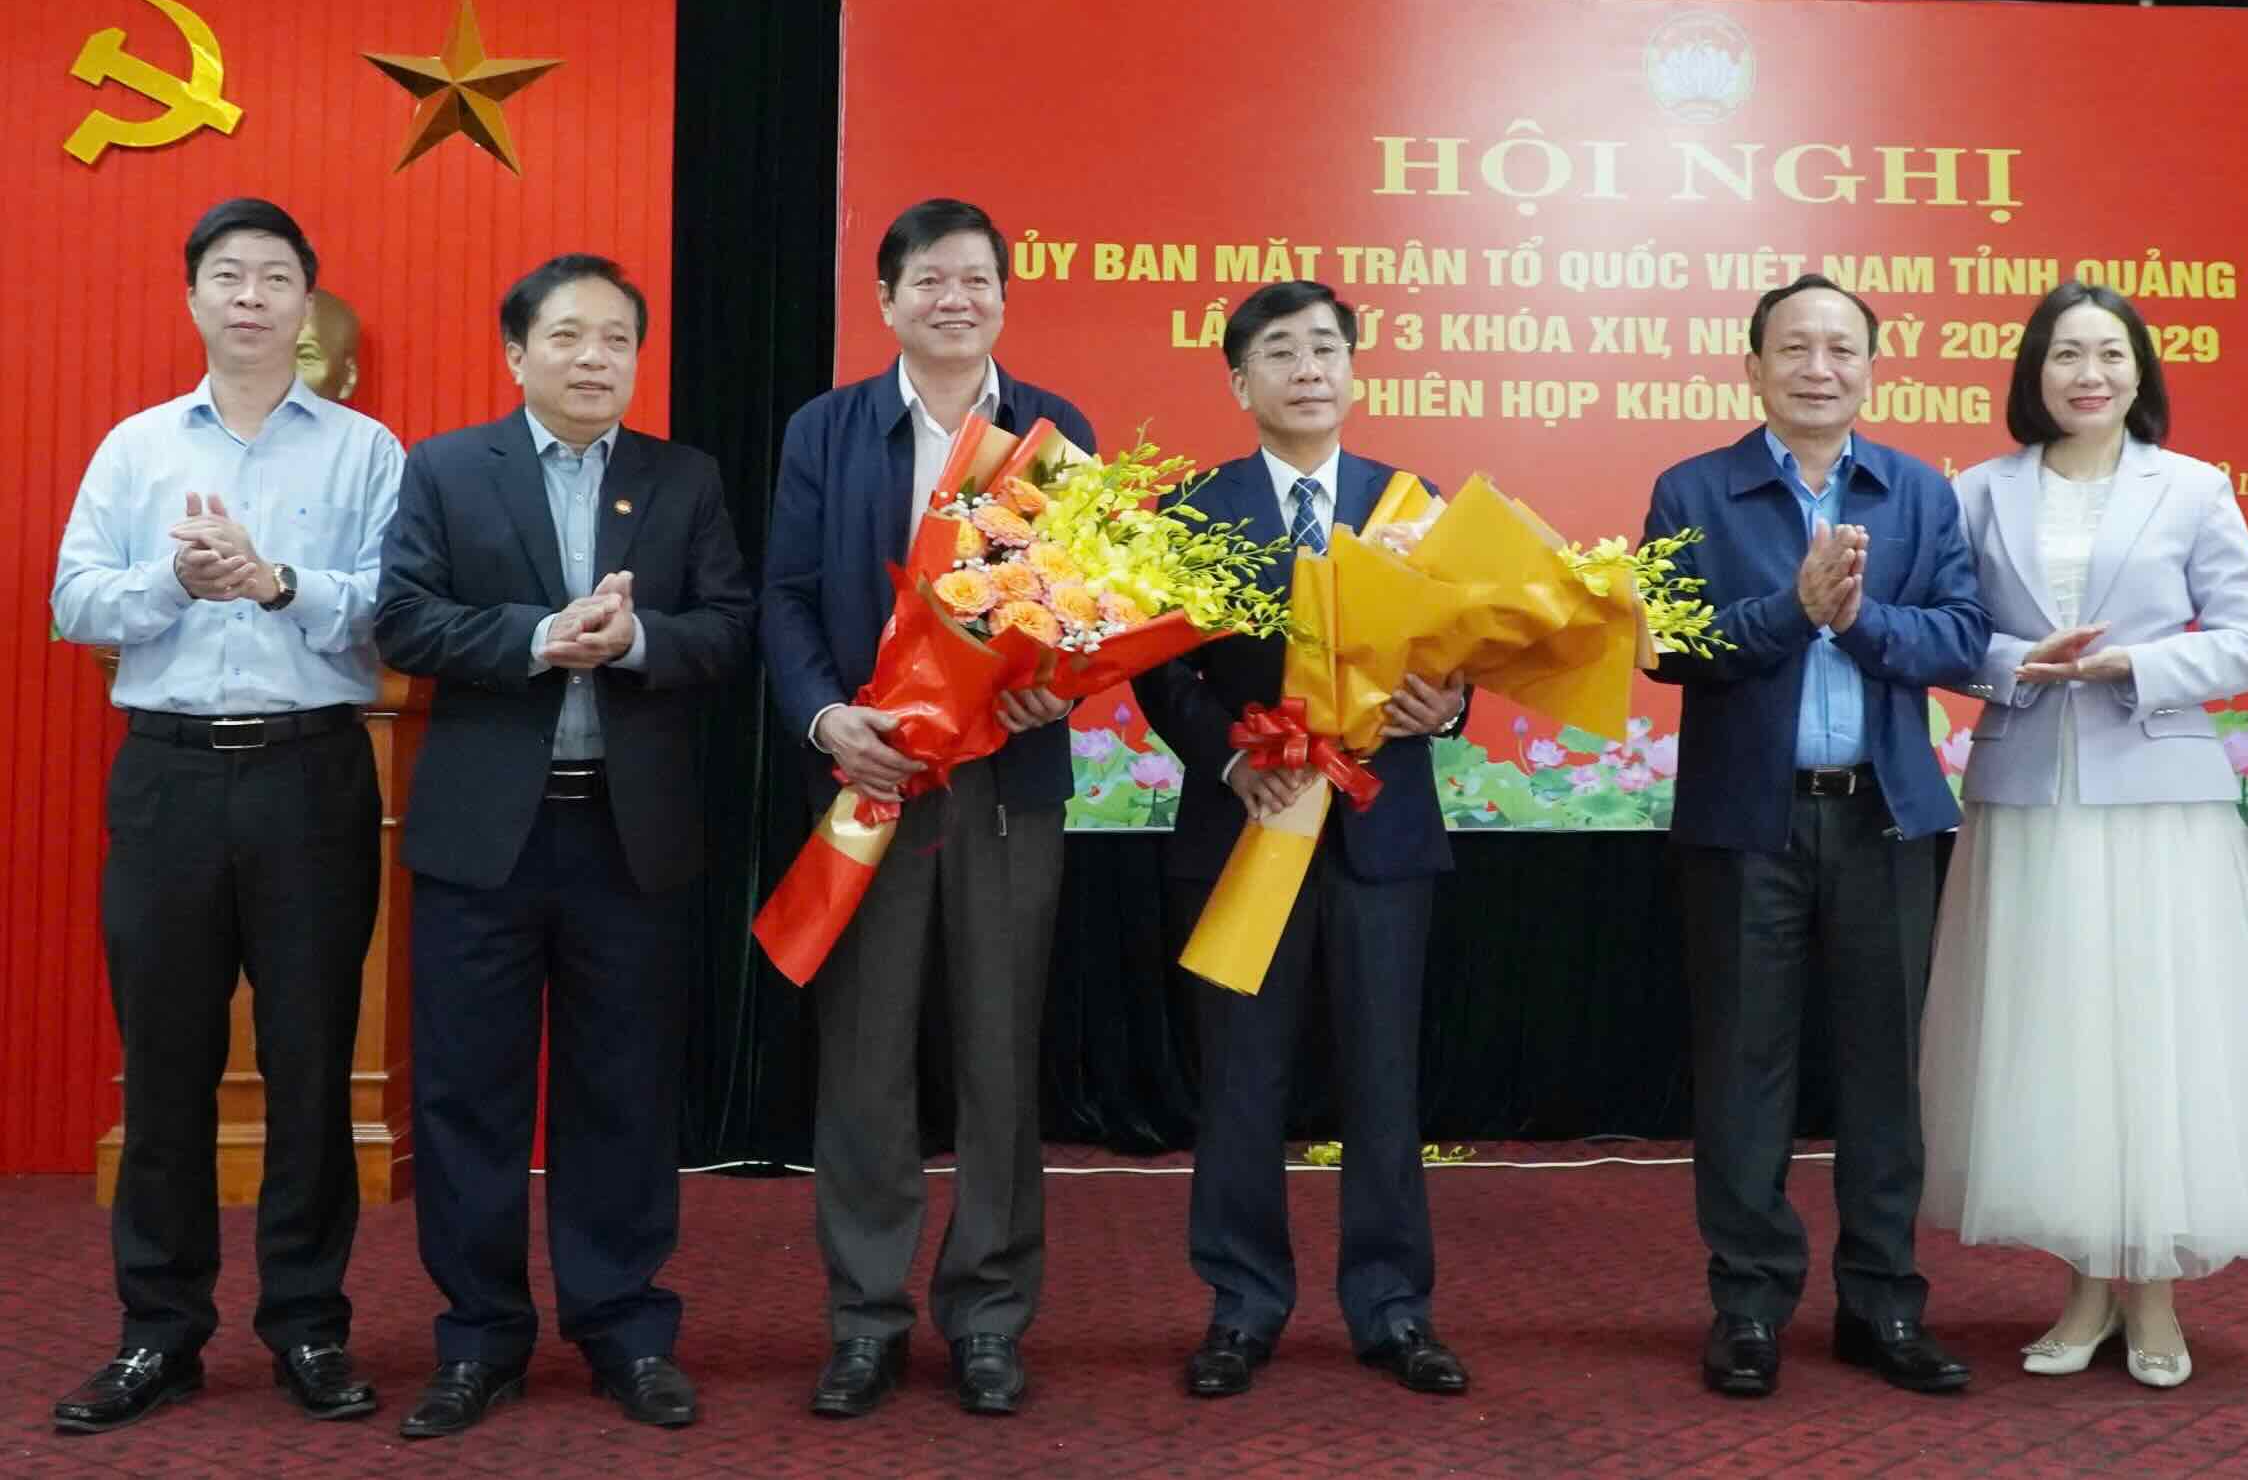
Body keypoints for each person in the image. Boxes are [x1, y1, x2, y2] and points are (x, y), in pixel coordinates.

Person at [374, 254, 753, 1437]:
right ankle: (479, 1334)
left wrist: (636, 644)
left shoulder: (681, 479)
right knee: (466, 1098)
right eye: (570, 337)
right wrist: (540, 637)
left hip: (627, 840)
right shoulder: (445, 469)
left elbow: (729, 629)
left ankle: (625, 1328)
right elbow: (405, 618)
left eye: (617, 340)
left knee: (622, 1095)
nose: (596, 360)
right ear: (516, 353)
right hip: (485, 839)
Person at [49, 198, 400, 1433]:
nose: (249, 297)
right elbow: (74, 600)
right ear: (193, 297)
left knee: (310, 1065)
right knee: (167, 1063)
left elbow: (394, 612)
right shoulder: (137, 448)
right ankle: (161, 1333)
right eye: (227, 277)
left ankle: (308, 1325)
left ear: (308, 300)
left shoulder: (367, 451)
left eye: (274, 278)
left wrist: (279, 583)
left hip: (314, 774)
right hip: (171, 779)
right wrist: (171, 583)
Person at [1920, 281, 2248, 1389]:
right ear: (2029, 375)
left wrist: (2134, 663)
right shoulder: (1978, 494)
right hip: (2027, 802)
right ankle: (2083, 1284)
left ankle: (2151, 1298)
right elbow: (1953, 638)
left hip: (2157, 808)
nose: (2085, 374)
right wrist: (2019, 666)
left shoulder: (2190, 489)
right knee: (2057, 1048)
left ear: (2139, 372)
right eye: (2062, 355)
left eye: (2107, 354)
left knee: (2151, 1042)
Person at [761, 198, 1093, 1418]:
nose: (953, 299)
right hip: (869, 779)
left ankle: (990, 1317)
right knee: (863, 1057)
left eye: (975, 280)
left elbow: (1085, 603)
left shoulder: (1054, 431)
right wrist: (823, 717)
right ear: (886, 301)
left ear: (1004, 297)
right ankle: (864, 1318)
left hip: (1005, 786)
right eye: (928, 281)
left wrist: (1054, 686)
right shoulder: (828, 429)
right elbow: (787, 595)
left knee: (999, 1056)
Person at [1642, 273, 1989, 1398]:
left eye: (1841, 348)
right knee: (1743, 1071)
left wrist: (1859, 619)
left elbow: (1956, 640)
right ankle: (1746, 1308)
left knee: (1884, 1074)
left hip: (1882, 817)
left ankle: (1883, 1306)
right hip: (1747, 823)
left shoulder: (1918, 493)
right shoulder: (1690, 490)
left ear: (1870, 368)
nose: (1817, 367)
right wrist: (1792, 609)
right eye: (1793, 347)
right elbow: (1676, 647)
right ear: (1752, 366)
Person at [1133, 279, 1471, 1402]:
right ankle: (1239, 1307)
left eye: (1327, 347)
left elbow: (1456, 647)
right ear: (1241, 381)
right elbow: (1158, 669)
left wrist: (1449, 702)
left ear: (1353, 370)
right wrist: (1230, 761)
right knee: (1240, 1079)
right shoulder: (1192, 511)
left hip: (1378, 833)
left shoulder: (1409, 506)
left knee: (1384, 1079)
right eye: (1280, 351)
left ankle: (1392, 1308)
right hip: (1247, 827)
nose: (1309, 368)